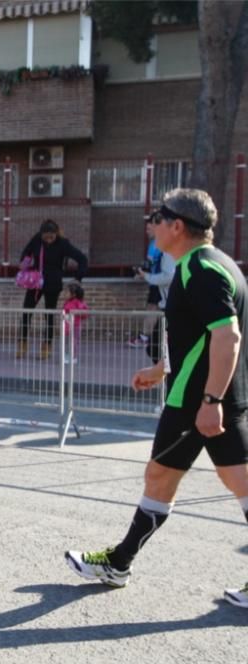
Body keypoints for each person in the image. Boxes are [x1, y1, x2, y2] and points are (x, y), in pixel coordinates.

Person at [64, 189, 248, 609]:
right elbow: (199, 335)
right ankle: (119, 561)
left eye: (158, 218)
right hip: (214, 398)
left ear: (178, 226)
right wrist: (162, 369)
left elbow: (228, 336)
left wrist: (209, 399)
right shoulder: (219, 264)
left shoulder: (199, 270)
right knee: (219, 484)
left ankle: (118, 563)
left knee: (160, 478)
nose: (152, 225)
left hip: (196, 403)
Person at [16, 219, 88, 361]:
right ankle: (22, 344)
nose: (48, 240)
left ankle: (46, 347)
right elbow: (26, 252)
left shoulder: (63, 243)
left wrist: (78, 278)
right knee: (26, 312)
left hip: (53, 284)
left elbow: (82, 259)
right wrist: (24, 263)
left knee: (49, 316)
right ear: (41, 234)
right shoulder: (37, 239)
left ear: (56, 234)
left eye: (51, 237)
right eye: (46, 237)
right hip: (36, 283)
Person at [135, 227, 175, 363]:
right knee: (156, 349)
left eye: (150, 227)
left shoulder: (168, 250)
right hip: (164, 298)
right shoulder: (155, 245)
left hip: (171, 302)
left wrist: (148, 276)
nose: (147, 230)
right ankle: (164, 373)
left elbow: (168, 275)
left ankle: (167, 373)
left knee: (157, 348)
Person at [62, 283, 88, 364]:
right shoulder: (68, 302)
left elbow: (83, 312)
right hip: (68, 324)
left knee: (73, 341)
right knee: (69, 341)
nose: (65, 294)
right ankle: (70, 355)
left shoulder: (77, 302)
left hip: (75, 325)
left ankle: (73, 357)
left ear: (73, 294)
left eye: (67, 292)